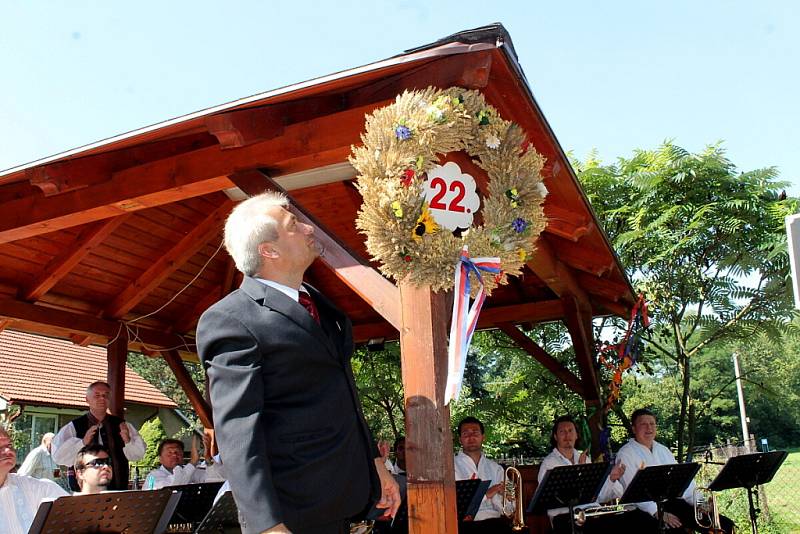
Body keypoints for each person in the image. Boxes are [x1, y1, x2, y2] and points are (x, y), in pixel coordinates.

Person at [197, 191, 400, 534]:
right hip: (292, 513)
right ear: (269, 250)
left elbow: (346, 397)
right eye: (294, 225)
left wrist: (376, 466)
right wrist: (267, 525)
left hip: (342, 501)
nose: (309, 229)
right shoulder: (230, 320)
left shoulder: (322, 306)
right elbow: (238, 433)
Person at [616, 408, 735, 533]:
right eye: (643, 424)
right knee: (676, 530)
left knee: (724, 525)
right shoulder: (625, 454)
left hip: (671, 503)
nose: (649, 428)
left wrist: (699, 503)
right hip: (641, 510)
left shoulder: (663, 450)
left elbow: (683, 483)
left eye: (652, 424)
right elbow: (634, 492)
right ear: (634, 429)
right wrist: (657, 513)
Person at [538, 415, 657, 533]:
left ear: (576, 435)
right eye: (562, 431)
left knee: (635, 521)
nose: (567, 435)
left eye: (570, 431)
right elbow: (551, 500)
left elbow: (599, 496)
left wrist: (612, 478)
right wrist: (579, 471)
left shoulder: (585, 459)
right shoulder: (549, 464)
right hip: (565, 517)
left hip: (591, 514)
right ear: (555, 436)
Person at [51, 381, 146, 490]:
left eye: (105, 395)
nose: (102, 398)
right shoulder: (74, 426)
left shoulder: (123, 425)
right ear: (87, 399)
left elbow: (138, 455)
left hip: (117, 489)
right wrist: (82, 443)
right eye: (97, 395)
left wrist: (128, 441)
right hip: (85, 493)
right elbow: (59, 457)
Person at [0, 425, 68, 534]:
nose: (8, 450)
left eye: (9, 445)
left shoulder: (37, 487)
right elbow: (25, 470)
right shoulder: (37, 453)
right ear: (45, 442)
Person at [453, 416, 513, 534]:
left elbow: (510, 509)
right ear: (460, 439)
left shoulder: (496, 469)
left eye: (475, 432)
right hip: (467, 525)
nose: (471, 437)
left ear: (483, 437)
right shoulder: (451, 467)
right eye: (466, 434)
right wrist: (487, 494)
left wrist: (504, 496)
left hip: (496, 522)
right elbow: (456, 506)